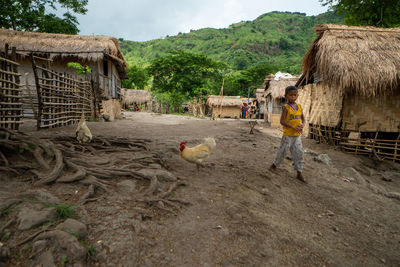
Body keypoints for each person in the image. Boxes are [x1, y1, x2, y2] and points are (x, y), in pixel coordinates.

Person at [269, 85, 306, 183]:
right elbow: (282, 121)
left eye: (295, 95)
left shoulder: (299, 107)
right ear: (286, 96)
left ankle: (299, 172)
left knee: (298, 153)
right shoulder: (286, 107)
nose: (293, 97)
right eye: (290, 95)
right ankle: (274, 166)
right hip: (288, 135)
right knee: (283, 151)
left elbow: (303, 118)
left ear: (297, 95)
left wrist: (303, 125)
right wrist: (293, 127)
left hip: (297, 135)